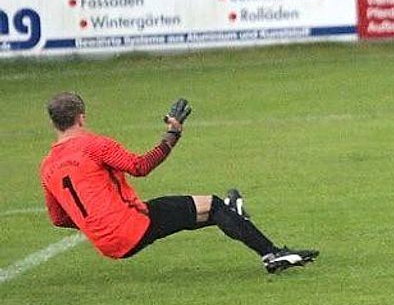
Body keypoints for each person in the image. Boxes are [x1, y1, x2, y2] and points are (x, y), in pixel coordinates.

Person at [39, 92, 317, 274]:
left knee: (209, 211)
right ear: (82, 117)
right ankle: (271, 254)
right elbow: (140, 166)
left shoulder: (47, 166)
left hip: (105, 242)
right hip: (131, 225)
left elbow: (58, 218)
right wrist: (173, 133)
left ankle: (234, 217)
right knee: (213, 205)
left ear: (54, 123)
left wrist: (96, 221)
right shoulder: (94, 145)